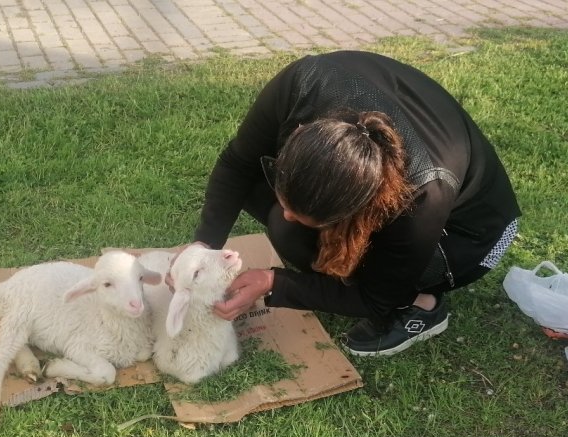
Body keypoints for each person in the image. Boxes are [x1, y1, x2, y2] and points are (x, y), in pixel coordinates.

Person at [188, 50, 521, 357]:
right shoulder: (299, 85)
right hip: (408, 178)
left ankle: (421, 305)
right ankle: (337, 258)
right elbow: (237, 163)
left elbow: (376, 298)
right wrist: (203, 247)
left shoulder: (421, 195)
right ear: (298, 135)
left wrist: (275, 282)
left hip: (472, 236)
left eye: (314, 217)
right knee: (281, 221)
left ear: (358, 209)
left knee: (304, 241)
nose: (287, 214)